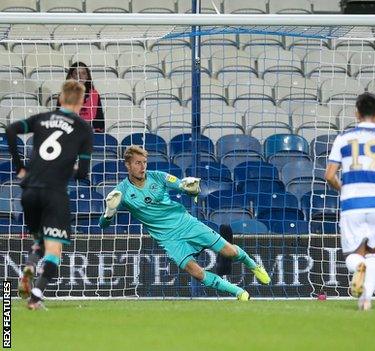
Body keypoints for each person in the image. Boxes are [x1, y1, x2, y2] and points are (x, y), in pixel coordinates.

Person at [99, 146, 270, 300]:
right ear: (127, 165)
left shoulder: (159, 177)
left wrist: (191, 188)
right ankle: (238, 292)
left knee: (230, 251)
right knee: (196, 272)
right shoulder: (121, 191)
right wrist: (109, 212)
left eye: (144, 162)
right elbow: (103, 225)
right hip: (168, 238)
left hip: (186, 224)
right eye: (137, 163)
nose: (143, 167)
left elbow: (182, 186)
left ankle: (253, 265)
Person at [9, 80, 93, 310]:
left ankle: (29, 266)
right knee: (54, 249)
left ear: (60, 98)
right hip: (54, 194)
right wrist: (66, 169)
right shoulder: (84, 128)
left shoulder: (42, 118)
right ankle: (35, 297)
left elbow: (10, 130)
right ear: (81, 102)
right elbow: (83, 173)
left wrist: (19, 168)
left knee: (39, 240)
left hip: (29, 193)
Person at [324, 93, 375, 311]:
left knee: (355, 254)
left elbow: (330, 175)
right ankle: (365, 300)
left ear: (356, 113)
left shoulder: (343, 138)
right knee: (373, 252)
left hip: (352, 203)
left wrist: (346, 189)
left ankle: (358, 267)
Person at [57, 62, 105, 133]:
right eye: (77, 73)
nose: (80, 76)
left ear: (87, 76)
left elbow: (100, 123)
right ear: (71, 76)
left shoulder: (94, 94)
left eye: (83, 73)